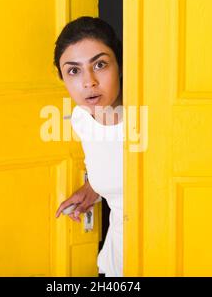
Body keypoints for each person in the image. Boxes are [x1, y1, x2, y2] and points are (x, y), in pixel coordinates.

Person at [54, 16, 123, 277]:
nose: (89, 82)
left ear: (120, 65)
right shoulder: (82, 118)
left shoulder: (150, 118)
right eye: (74, 70)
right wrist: (93, 186)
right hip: (119, 262)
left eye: (100, 65)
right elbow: (113, 160)